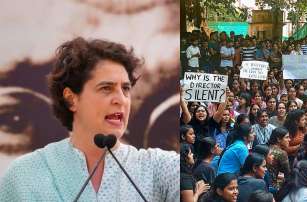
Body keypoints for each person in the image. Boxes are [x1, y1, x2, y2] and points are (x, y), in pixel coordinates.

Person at [0, 38, 179, 201]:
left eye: (125, 89)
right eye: (106, 88)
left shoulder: (161, 168)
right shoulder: (24, 175)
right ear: (71, 99)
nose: (121, 100)